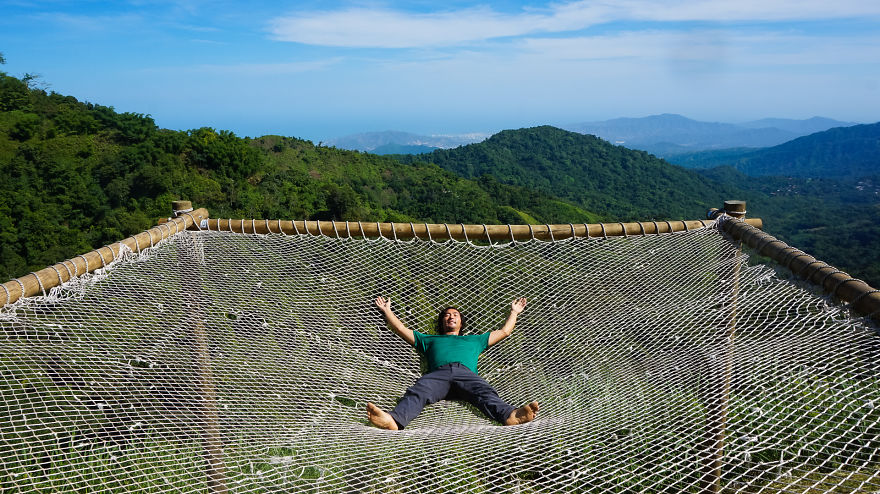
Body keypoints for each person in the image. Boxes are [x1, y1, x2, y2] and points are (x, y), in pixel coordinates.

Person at [366, 296, 539, 430]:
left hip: (466, 375)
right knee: (419, 391)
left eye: (455, 315)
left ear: (461, 322)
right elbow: (401, 329)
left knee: (485, 392)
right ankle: (393, 420)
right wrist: (387, 310)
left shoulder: (475, 340)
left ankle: (511, 416)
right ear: (442, 322)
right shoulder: (428, 340)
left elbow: (504, 331)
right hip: (437, 376)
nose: (451, 317)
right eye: (447, 315)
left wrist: (514, 312)